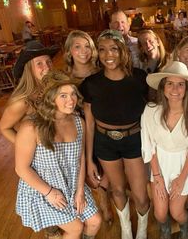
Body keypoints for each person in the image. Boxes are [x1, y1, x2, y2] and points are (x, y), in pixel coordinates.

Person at [14, 70, 101, 238]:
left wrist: (81, 190)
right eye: (63, 95)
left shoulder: (78, 122)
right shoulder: (31, 128)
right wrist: (49, 192)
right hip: (41, 190)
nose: (71, 100)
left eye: (73, 94)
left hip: (72, 184)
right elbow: (21, 168)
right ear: (50, 98)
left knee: (95, 221)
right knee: (75, 228)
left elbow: (80, 159)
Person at [80, 30, 150, 239]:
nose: (108, 54)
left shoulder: (139, 78)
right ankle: (127, 230)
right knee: (117, 190)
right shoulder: (91, 83)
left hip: (134, 139)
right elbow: (89, 124)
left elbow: (151, 112)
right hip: (105, 142)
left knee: (140, 195)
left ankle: (143, 231)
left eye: (113, 49)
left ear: (122, 51)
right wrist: (90, 160)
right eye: (102, 49)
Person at [141, 61, 188, 239]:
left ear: (187, 88)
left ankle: (185, 228)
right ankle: (165, 230)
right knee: (160, 214)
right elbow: (149, 146)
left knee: (176, 212)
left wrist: (182, 178)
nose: (175, 89)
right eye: (170, 83)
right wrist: (157, 177)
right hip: (159, 165)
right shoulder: (150, 111)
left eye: (180, 84)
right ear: (163, 87)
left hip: (183, 166)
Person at [63, 30, 114, 225]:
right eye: (77, 46)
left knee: (106, 168)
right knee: (84, 170)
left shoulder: (102, 73)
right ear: (69, 51)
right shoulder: (65, 78)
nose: (83, 51)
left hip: (101, 128)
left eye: (87, 46)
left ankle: (105, 198)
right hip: (75, 131)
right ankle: (92, 201)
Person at [0, 40, 59, 144]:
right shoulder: (22, 102)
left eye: (48, 61)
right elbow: (4, 128)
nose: (47, 67)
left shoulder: (53, 88)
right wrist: (25, 148)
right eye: (39, 63)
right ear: (29, 69)